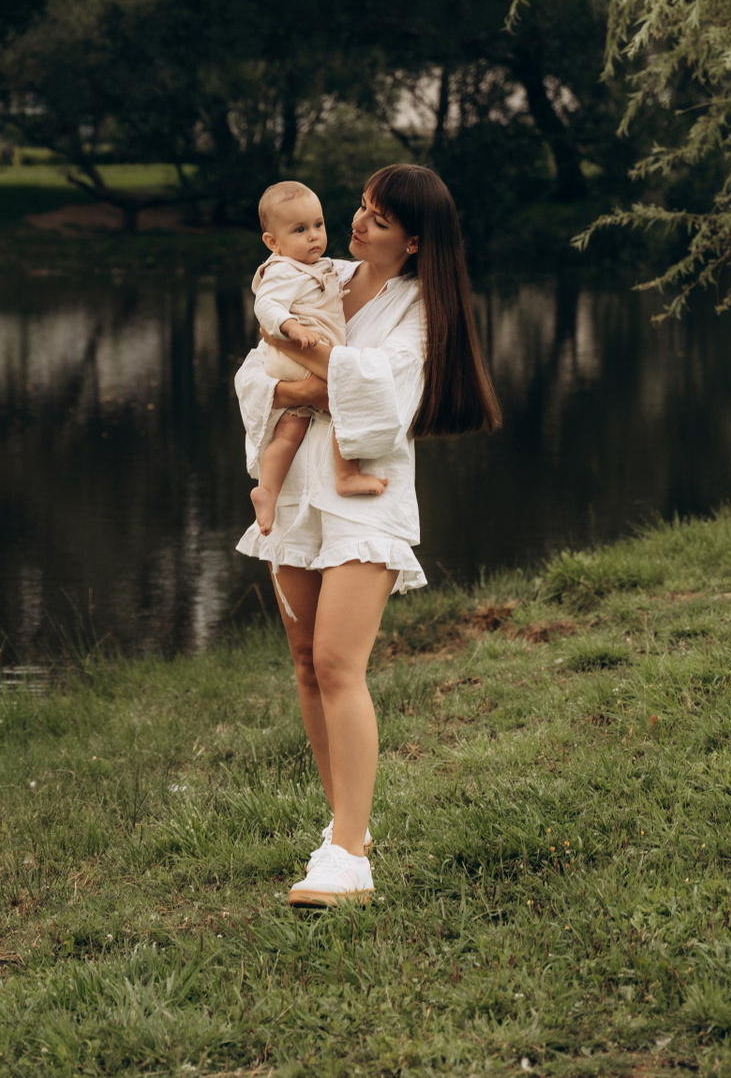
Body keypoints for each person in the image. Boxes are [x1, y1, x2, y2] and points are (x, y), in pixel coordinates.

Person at [234, 163, 500, 907]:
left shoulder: (419, 313)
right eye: (360, 207)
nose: (355, 223)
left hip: (366, 496)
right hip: (298, 490)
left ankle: (351, 857)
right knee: (305, 664)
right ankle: (343, 826)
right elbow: (256, 368)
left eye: (378, 220)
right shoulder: (322, 274)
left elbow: (382, 394)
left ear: (413, 243)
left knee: (337, 661)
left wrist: (307, 371)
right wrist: (313, 379)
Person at [248, 181, 389, 537]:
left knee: (289, 431)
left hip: (299, 359)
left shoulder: (319, 266)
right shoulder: (283, 269)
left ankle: (267, 490)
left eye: (318, 224)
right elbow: (266, 305)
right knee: (348, 394)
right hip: (300, 353)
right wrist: (290, 327)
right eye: (299, 230)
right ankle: (347, 474)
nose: (313, 235)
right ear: (272, 243)